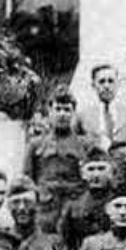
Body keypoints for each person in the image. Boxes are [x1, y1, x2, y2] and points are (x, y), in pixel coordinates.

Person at [26, 88, 94, 226]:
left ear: (73, 113)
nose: (62, 114)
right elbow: (28, 179)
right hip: (46, 208)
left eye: (67, 110)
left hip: (75, 208)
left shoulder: (85, 144)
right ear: (50, 112)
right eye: (58, 109)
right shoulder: (36, 144)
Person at [57, 150, 123, 250]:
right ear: (82, 174)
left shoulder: (123, 200)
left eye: (101, 169)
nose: (96, 175)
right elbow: (65, 239)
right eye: (91, 169)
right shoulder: (73, 204)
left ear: (111, 172)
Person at [76, 60, 126, 152]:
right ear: (93, 85)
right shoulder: (82, 116)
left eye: (111, 81)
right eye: (101, 82)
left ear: (118, 84)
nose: (106, 86)